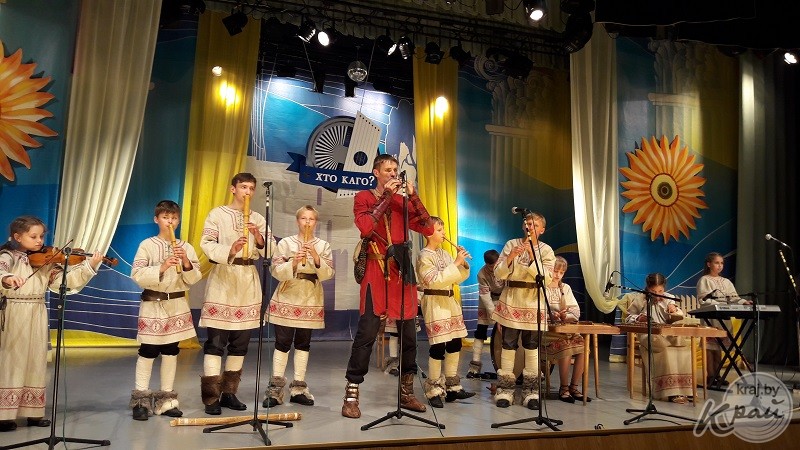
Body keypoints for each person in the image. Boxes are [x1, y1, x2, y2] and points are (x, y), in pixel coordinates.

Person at [341, 154, 434, 419]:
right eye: (388, 170)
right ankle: (351, 395)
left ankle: (406, 393)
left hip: (401, 271)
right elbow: (365, 227)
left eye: (396, 170)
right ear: (376, 173)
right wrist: (386, 197)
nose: (393, 173)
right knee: (367, 333)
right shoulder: (364, 197)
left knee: (409, 336)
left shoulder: (402, 203)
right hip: (376, 269)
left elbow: (428, 228)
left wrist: (413, 197)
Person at [0, 216, 102, 432]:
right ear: (17, 236)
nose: (39, 241)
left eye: (41, 236)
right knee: (12, 360)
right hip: (13, 310)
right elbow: (1, 271)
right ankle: (4, 415)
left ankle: (33, 412)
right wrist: (7, 278)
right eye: (33, 236)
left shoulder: (45, 261)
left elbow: (65, 282)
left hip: (37, 310)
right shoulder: (7, 255)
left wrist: (90, 265)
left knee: (36, 359)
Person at [199, 173, 275, 415]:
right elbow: (206, 243)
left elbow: (272, 250)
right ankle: (211, 396)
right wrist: (230, 249)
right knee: (216, 342)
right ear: (233, 189)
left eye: (251, 188)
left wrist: (258, 237)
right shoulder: (217, 214)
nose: (248, 192)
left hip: (248, 280)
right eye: (243, 187)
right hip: (223, 278)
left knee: (240, 344)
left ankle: (229, 392)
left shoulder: (258, 218)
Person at [129, 201, 202, 420]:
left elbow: (194, 278)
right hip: (153, 304)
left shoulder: (186, 246)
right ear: (156, 219)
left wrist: (185, 260)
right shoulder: (147, 245)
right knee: (148, 350)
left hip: (176, 304)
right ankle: (141, 400)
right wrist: (162, 267)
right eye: (165, 217)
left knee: (171, 350)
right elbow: (137, 275)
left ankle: (167, 400)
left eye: (174, 218)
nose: (170, 222)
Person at [263, 205, 334, 407]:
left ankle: (298, 388)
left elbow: (329, 273)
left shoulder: (323, 245)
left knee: (303, 343)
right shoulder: (286, 243)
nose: (307, 222)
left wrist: (316, 257)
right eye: (304, 218)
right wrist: (293, 262)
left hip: (310, 297)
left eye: (311, 219)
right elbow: (276, 270)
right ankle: (276, 389)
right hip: (288, 294)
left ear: (316, 222)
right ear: (297, 221)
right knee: (282, 342)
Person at [492, 212, 555, 410]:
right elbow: (498, 273)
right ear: (523, 226)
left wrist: (531, 258)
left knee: (532, 345)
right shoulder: (511, 244)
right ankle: (505, 390)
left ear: (542, 230)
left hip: (534, 301)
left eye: (534, 225)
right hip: (512, 299)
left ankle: (531, 391)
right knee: (508, 344)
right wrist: (511, 257)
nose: (530, 227)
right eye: (527, 223)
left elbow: (547, 278)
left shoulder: (546, 250)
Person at [416, 216, 474, 408]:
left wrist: (462, 263)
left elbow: (456, 279)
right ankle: (433, 389)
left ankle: (452, 386)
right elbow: (433, 281)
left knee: (455, 343)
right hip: (435, 302)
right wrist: (455, 263)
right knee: (438, 345)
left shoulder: (445, 254)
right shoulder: (423, 256)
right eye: (439, 230)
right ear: (428, 233)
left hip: (450, 302)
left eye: (443, 230)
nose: (444, 233)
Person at [625, 272, 692, 404]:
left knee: (682, 346)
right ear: (648, 288)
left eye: (660, 291)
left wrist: (673, 309)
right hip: (648, 334)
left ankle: (685, 389)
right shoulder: (640, 299)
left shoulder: (669, 298)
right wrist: (639, 318)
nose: (657, 294)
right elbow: (628, 318)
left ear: (664, 288)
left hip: (666, 332)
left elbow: (679, 315)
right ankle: (670, 392)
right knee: (665, 349)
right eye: (653, 291)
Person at [696, 252, 751, 387]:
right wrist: (718, 304)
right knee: (710, 348)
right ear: (709, 264)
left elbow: (734, 297)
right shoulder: (704, 280)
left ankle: (718, 375)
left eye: (722, 263)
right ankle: (710, 376)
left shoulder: (726, 281)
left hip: (723, 317)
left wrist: (744, 302)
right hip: (711, 317)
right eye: (717, 263)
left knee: (719, 348)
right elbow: (703, 299)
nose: (720, 266)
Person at [543, 256, 589, 403]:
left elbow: (576, 312)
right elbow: (535, 311)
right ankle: (563, 388)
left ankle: (573, 387)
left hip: (564, 329)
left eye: (561, 272)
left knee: (583, 347)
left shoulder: (565, 288)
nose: (557, 275)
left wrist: (565, 316)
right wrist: (551, 315)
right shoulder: (541, 287)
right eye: (555, 271)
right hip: (547, 332)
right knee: (566, 346)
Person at [467, 249, 504, 378]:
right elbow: (485, 296)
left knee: (507, 331)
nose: (493, 269)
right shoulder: (481, 274)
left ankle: (507, 368)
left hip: (504, 298)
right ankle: (474, 366)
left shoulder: (505, 267)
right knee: (481, 330)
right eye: (490, 266)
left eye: (494, 265)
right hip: (487, 300)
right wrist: (493, 313)